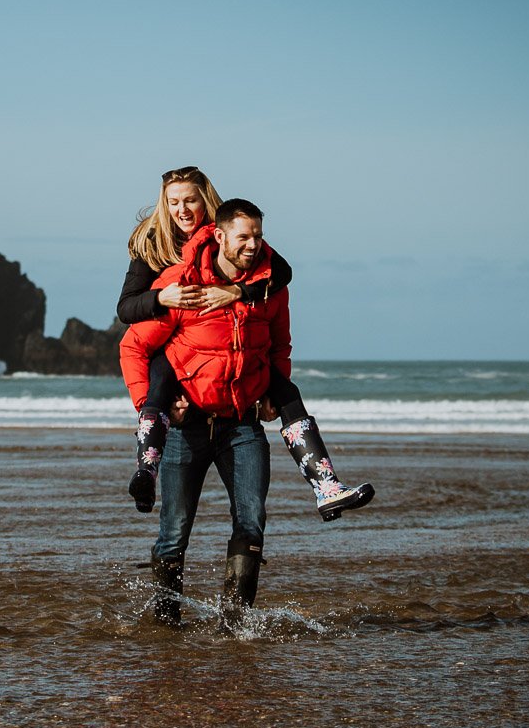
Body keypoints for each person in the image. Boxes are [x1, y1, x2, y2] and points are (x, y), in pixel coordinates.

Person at [117, 166, 372, 524]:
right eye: (174, 202)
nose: (183, 209)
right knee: (161, 376)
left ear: (206, 201)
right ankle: (146, 470)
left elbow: (279, 273)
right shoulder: (153, 242)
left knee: (285, 390)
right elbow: (126, 309)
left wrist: (237, 291)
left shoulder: (234, 234)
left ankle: (326, 486)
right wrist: (163, 297)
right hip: (172, 336)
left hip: (230, 343)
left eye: (190, 199)